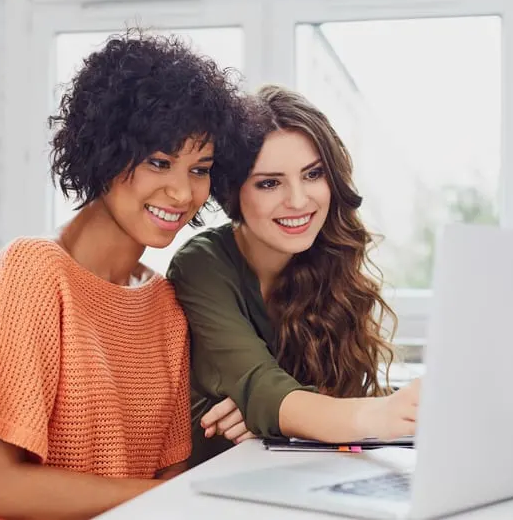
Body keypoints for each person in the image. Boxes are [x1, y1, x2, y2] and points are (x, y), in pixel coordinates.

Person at [0, 30, 248, 519]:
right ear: (104, 152)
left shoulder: (163, 306)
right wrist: (178, 498)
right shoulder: (35, 272)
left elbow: (166, 481)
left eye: (199, 169)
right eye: (159, 162)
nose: (183, 193)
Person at [167, 84, 421, 467]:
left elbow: (316, 401)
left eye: (313, 174)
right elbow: (263, 387)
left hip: (301, 479)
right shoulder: (202, 265)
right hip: (212, 493)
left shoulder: (328, 257)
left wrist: (274, 418)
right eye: (269, 183)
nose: (300, 201)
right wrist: (275, 409)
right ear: (233, 193)